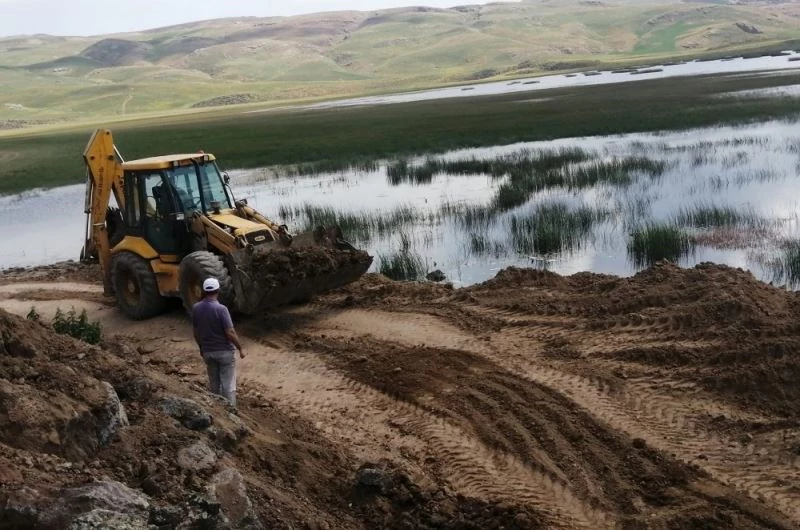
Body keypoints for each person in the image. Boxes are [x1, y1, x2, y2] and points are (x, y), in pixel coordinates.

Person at [191, 277, 245, 408]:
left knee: (214, 384)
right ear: (218, 290)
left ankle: (218, 411)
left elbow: (196, 332)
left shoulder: (196, 308)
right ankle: (232, 413)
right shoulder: (221, 309)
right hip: (224, 352)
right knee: (228, 385)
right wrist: (240, 348)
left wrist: (202, 348)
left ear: (204, 290)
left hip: (208, 352)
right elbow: (230, 332)